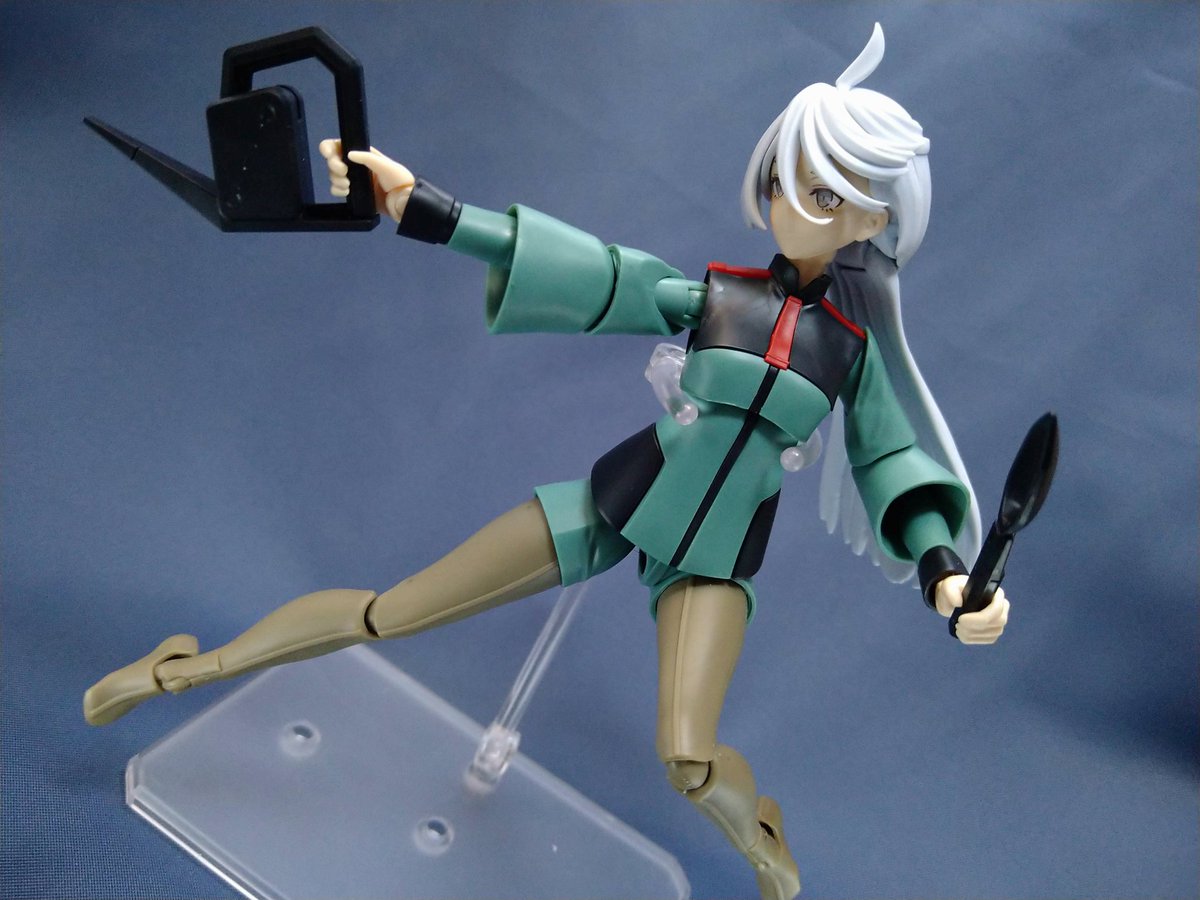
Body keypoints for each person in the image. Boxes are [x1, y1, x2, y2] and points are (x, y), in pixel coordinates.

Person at [84, 24, 1009, 900]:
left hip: (713, 565)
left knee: (690, 761)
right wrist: (424, 206)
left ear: (871, 217)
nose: (790, 207)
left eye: (825, 196)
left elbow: (891, 459)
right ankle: (178, 673)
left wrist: (943, 571)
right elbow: (601, 273)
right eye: (784, 181)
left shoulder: (849, 354)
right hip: (615, 502)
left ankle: (764, 847)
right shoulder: (719, 297)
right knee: (393, 611)